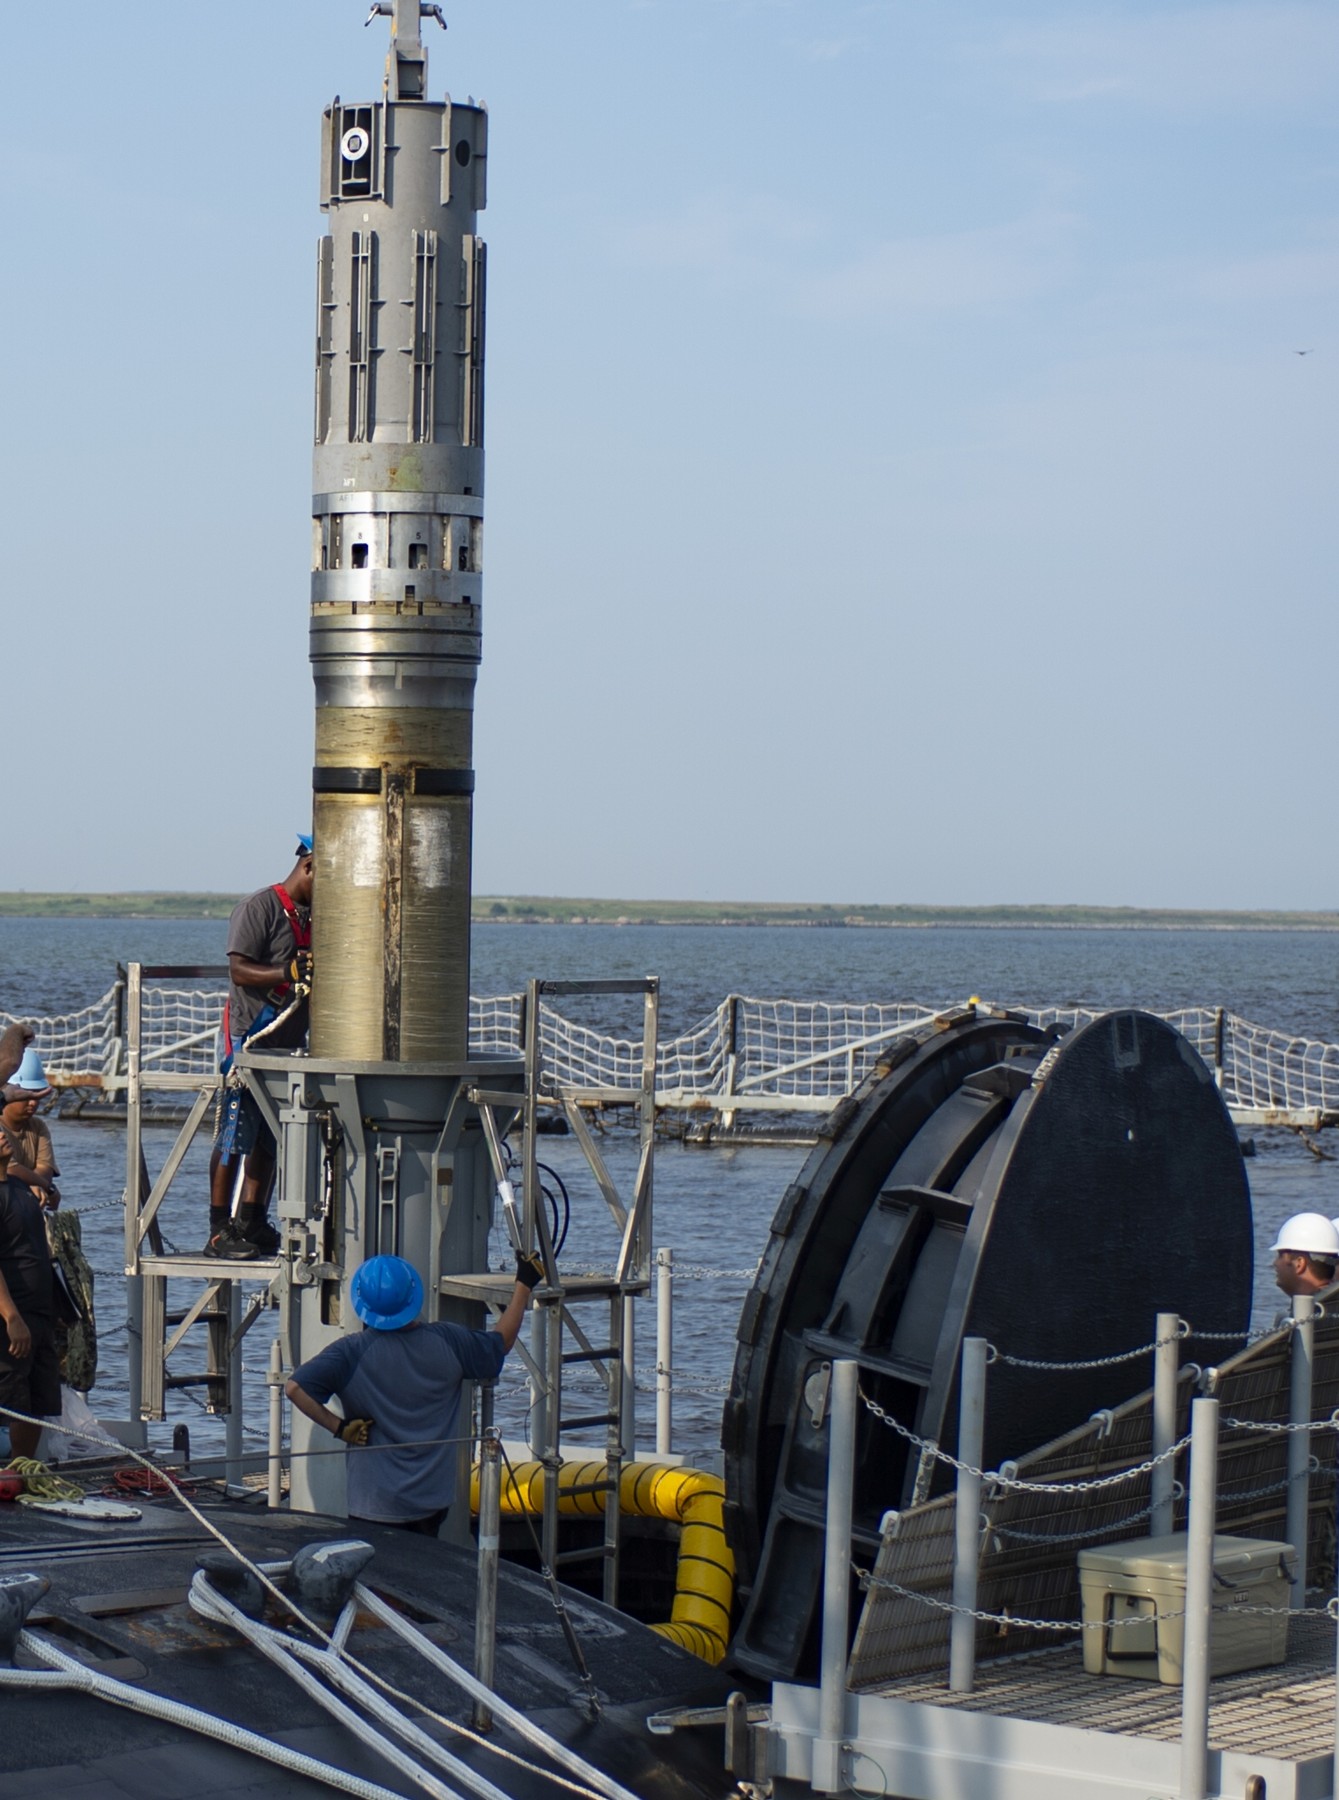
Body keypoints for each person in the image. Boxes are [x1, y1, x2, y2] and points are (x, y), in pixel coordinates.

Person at [285, 1251, 544, 1536]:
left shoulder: (350, 1353)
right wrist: (524, 1284)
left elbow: (295, 1388)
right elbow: (501, 1342)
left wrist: (341, 1428)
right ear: (413, 1295)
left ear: (362, 1303)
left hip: (373, 1504)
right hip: (431, 1502)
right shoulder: (449, 1341)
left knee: (377, 1576)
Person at [206, 835, 314, 1260]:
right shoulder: (259, 909)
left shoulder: (316, 916)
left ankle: (252, 1218)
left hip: (288, 1046)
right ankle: (219, 1229)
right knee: (235, 1133)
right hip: (248, 1039)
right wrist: (285, 971)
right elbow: (238, 971)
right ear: (309, 867)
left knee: (270, 1136)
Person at [0, 1051, 95, 1392]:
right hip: (11, 1233)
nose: (32, 1105)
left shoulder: (38, 1128)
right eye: (27, 1097)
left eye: (37, 1099)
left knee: (52, 1329)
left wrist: (38, 1185)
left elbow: (42, 1168)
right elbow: (14, 1170)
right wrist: (40, 1186)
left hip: (33, 1240)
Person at [0, 1020, 67, 1459]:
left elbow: (4, 1065)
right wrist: (11, 1316)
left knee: (40, 1402)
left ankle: (23, 1472)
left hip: (40, 1311)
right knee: (12, 1399)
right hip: (15, 1314)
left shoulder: (18, 1187)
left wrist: (15, 1034)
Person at [1271, 1212, 1339, 1299]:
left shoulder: (1315, 1310)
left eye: (1280, 1255)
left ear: (1299, 1264)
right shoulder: (1329, 1306)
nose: (1275, 1263)